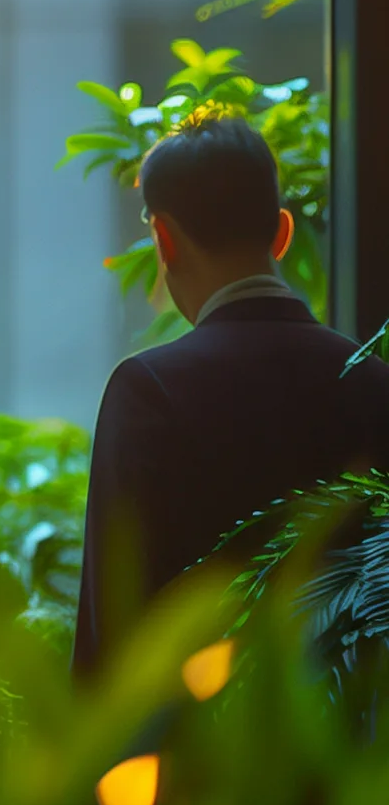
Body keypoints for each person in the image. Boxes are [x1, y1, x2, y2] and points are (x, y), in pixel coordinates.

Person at [73, 113, 389, 674]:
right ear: (284, 233)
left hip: (204, 751)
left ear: (164, 239)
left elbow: (117, 640)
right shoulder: (371, 379)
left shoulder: (148, 391)